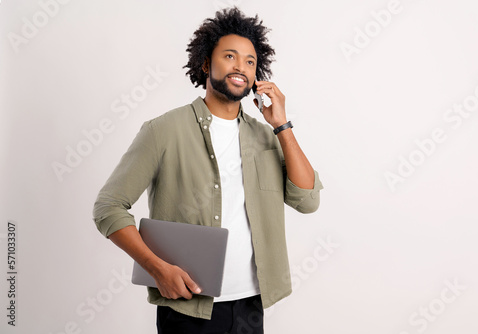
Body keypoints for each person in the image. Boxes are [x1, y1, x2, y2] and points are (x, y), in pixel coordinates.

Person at [93, 7, 323, 334]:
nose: (240, 66)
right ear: (206, 63)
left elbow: (307, 200)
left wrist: (281, 124)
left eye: (249, 61)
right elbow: (108, 207)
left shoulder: (265, 137)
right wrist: (157, 269)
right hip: (188, 305)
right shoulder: (163, 131)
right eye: (230, 56)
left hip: (250, 305)